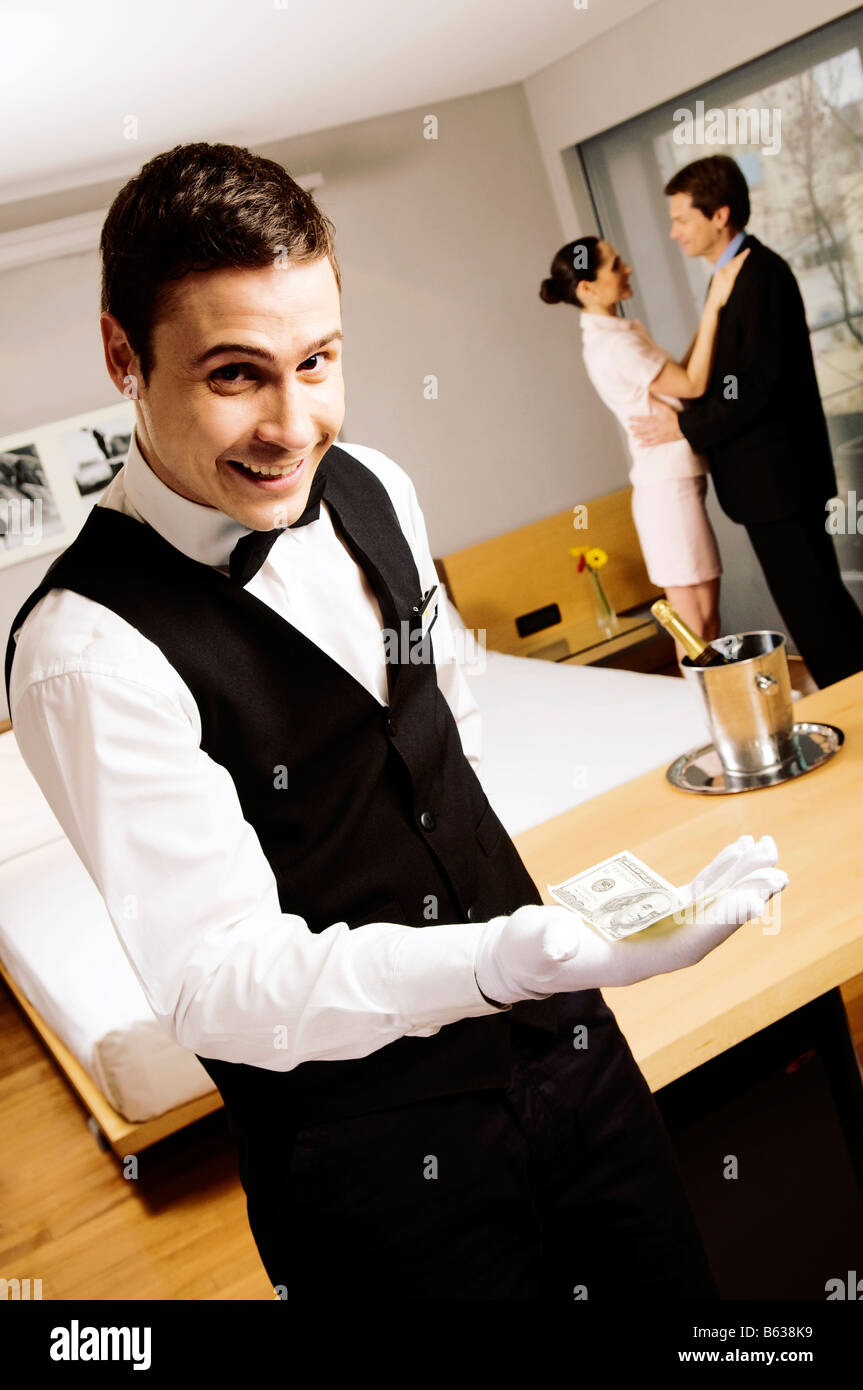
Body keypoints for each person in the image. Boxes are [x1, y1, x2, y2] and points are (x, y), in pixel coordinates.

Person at [4, 142, 787, 1301]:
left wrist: (560, 949)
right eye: (235, 374)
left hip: (568, 1054)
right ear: (125, 355)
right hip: (366, 1160)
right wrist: (492, 959)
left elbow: (445, 726)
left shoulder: (375, 482)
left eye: (316, 360)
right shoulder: (84, 651)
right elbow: (216, 981)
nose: (291, 422)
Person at [630, 153, 863, 689]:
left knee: (818, 613)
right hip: (768, 485)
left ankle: (853, 711)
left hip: (781, 481)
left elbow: (759, 386)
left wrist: (685, 428)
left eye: (682, 218)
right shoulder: (731, 277)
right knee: (816, 610)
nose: (673, 232)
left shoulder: (762, 274)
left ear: (720, 215)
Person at [540, 235, 747, 662]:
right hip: (666, 491)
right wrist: (714, 305)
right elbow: (692, 385)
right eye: (615, 265)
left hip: (673, 485)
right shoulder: (615, 345)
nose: (627, 268)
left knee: (704, 624)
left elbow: (682, 374)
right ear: (588, 288)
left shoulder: (621, 333)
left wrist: (715, 312)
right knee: (697, 629)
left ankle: (710, 717)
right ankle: (706, 720)